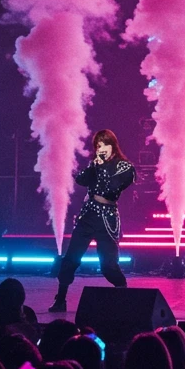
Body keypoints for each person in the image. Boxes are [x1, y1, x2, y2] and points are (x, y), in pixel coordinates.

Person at [50, 130, 135, 313]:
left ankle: (124, 296)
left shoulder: (124, 166)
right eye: (97, 145)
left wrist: (102, 168)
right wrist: (93, 166)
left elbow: (113, 188)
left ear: (112, 145)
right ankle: (61, 299)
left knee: (108, 265)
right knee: (71, 258)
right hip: (88, 216)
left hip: (107, 219)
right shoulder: (95, 164)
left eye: (103, 145)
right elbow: (81, 179)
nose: (100, 149)